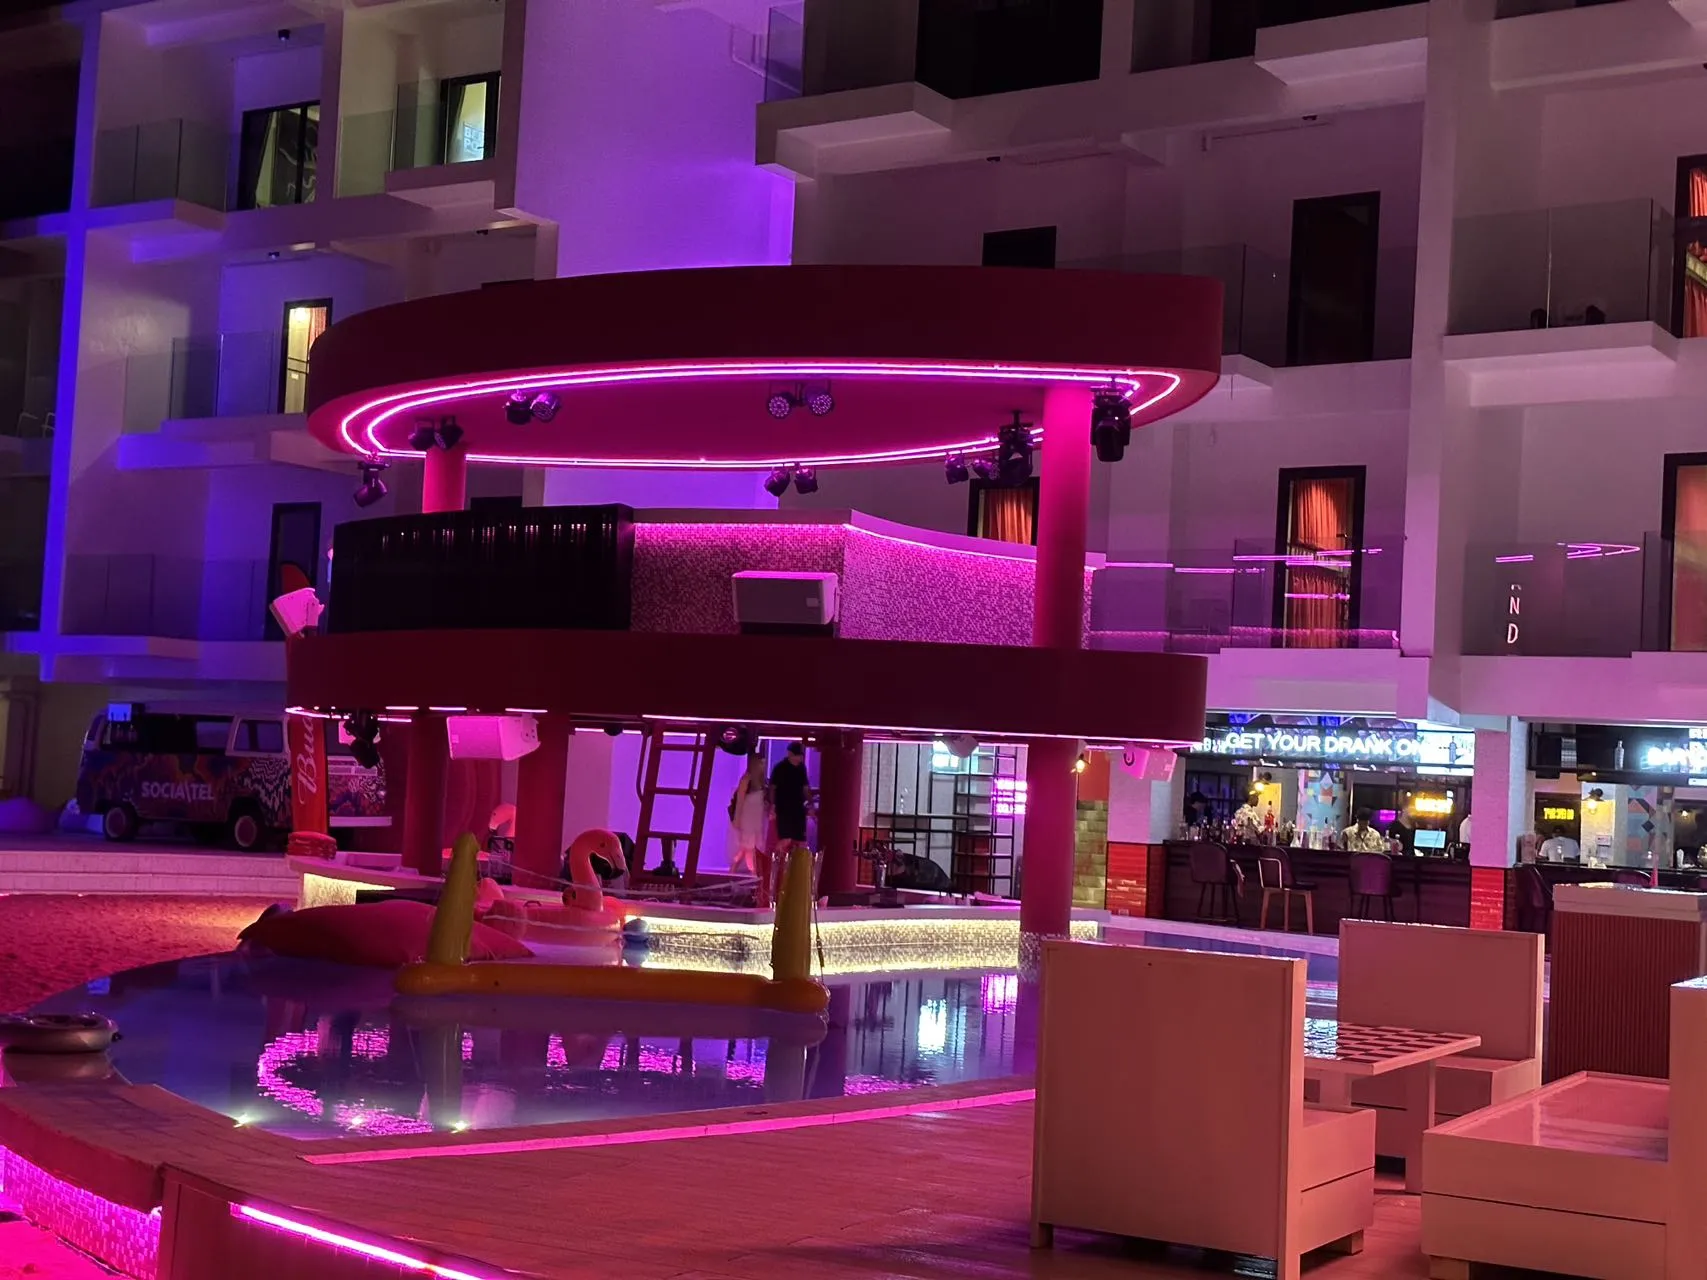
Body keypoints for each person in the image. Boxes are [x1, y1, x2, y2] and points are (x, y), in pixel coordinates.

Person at [728, 754, 768, 878]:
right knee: (748, 847)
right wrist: (737, 819)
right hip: (748, 818)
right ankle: (752, 873)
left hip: (756, 818)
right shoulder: (746, 780)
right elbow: (739, 800)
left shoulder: (762, 782)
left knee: (747, 848)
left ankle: (738, 871)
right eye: (760, 763)